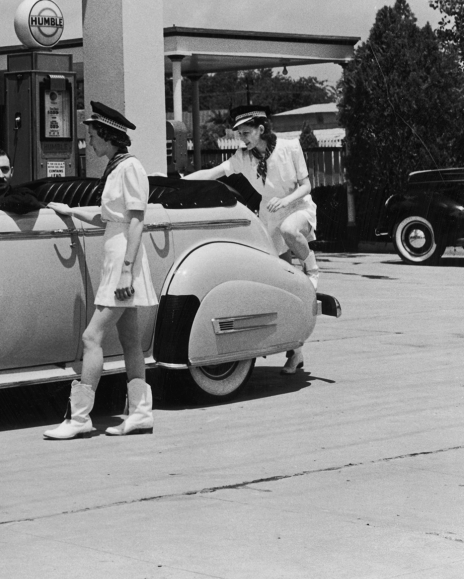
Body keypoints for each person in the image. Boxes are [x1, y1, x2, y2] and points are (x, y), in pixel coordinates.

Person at [42, 102, 156, 439]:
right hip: (118, 254)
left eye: (92, 136)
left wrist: (125, 272)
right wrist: (71, 210)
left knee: (92, 337)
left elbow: (136, 222)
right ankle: (140, 413)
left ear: (107, 136)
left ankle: (79, 419)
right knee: (131, 340)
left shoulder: (131, 168)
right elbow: (109, 216)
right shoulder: (117, 168)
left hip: (124, 259)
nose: (88, 143)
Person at [184, 104, 318, 374]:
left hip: (297, 207)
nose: (241, 138)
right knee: (280, 285)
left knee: (290, 230)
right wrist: (182, 181)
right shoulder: (243, 158)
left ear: (261, 129)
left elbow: (306, 186)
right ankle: (296, 353)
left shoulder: (290, 147)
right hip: (270, 217)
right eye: (239, 134)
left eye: (246, 132)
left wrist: (285, 201)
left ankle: (313, 269)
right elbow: (213, 173)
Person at [0, 147, 43, 214]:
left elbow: (29, 201)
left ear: (11, 172)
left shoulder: (22, 194)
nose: (0, 176)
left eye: (5, 169)